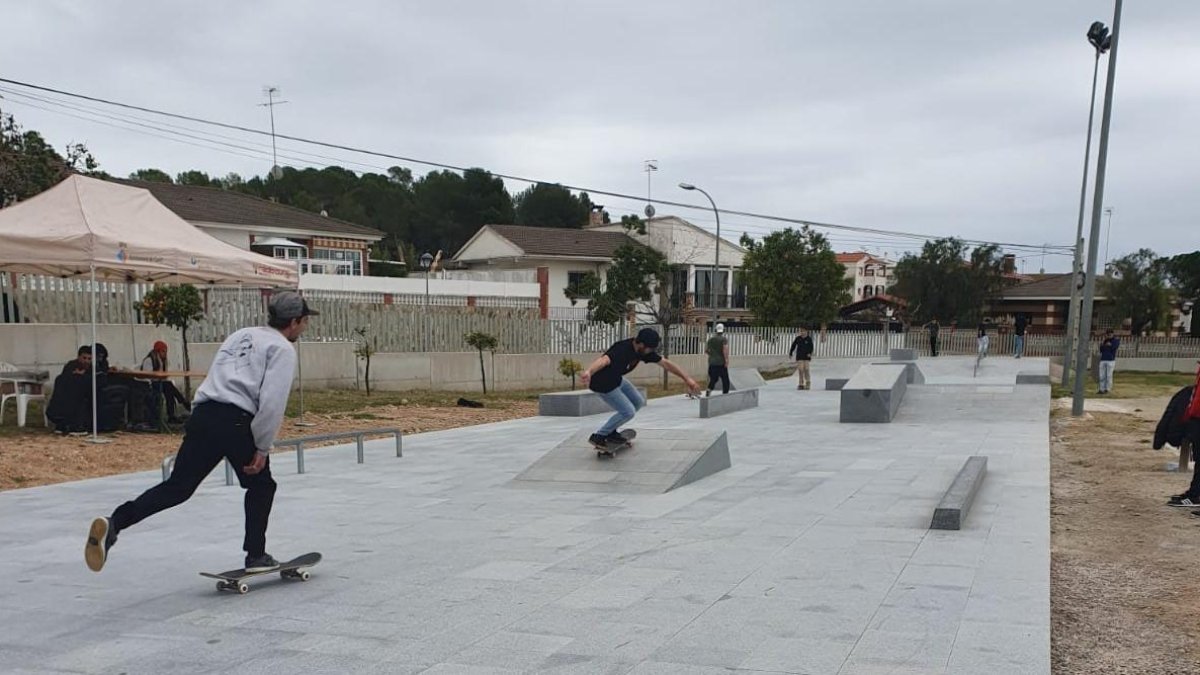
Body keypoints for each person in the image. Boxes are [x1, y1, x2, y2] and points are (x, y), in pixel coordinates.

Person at [85, 290, 318, 574]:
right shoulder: (282, 349)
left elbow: (216, 373)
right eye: (305, 322)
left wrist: (200, 413)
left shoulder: (241, 334)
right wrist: (262, 448)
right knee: (261, 485)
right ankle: (256, 555)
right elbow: (272, 402)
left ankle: (116, 522)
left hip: (204, 413)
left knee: (178, 487)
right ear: (294, 321)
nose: (305, 328)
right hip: (235, 419)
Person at [579, 327, 700, 450]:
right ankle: (599, 436)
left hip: (616, 379)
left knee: (638, 401)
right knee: (628, 411)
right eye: (650, 349)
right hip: (602, 383)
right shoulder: (621, 349)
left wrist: (687, 379)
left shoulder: (642, 351)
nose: (651, 352)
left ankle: (610, 431)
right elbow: (604, 360)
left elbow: (666, 364)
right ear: (641, 344)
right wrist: (589, 371)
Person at [140, 340, 192, 423]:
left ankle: (172, 415)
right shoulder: (150, 360)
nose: (165, 353)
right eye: (163, 351)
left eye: (165, 351)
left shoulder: (164, 361)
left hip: (160, 382)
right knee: (169, 386)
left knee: (170, 391)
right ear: (158, 351)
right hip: (150, 384)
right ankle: (184, 403)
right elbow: (148, 375)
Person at [705, 323, 731, 396]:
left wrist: (712, 355)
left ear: (716, 330)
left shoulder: (710, 339)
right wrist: (726, 360)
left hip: (712, 363)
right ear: (723, 331)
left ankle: (709, 389)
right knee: (725, 379)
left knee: (714, 378)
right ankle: (725, 393)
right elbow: (725, 349)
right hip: (721, 362)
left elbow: (706, 350)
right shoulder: (723, 339)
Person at [1098, 329, 1120, 394]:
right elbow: (1101, 349)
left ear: (1112, 334)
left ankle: (1107, 389)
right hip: (1103, 359)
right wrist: (1104, 344)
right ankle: (1101, 389)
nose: (1109, 335)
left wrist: (1109, 345)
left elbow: (1114, 347)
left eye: (1110, 334)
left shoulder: (1115, 341)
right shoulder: (1105, 341)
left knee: (1109, 375)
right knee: (1102, 375)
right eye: (1107, 334)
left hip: (1110, 360)